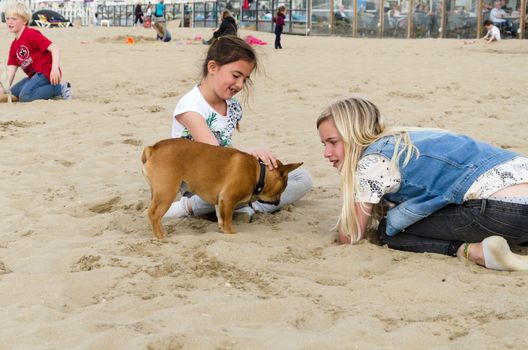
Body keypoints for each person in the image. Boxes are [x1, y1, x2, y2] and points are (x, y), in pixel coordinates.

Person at [316, 96, 528, 271]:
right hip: (517, 196)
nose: (326, 153)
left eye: (333, 142)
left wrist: (352, 192)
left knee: (389, 233)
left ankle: (472, 251)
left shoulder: (372, 162)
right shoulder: (409, 137)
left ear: (354, 134)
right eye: (323, 144)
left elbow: (351, 236)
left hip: (505, 212)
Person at [165, 35, 312, 222]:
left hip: (229, 174)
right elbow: (215, 155)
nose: (240, 85)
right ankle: (188, 207)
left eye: (245, 78)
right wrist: (250, 154)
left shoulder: (231, 106)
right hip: (200, 184)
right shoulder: (190, 107)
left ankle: (247, 206)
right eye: (236, 76)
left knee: (302, 178)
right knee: (232, 190)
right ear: (212, 67)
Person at [1, 2, 71, 102]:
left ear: (24, 21)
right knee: (12, 93)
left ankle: (59, 88)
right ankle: (45, 90)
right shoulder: (14, 46)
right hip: (34, 77)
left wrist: (54, 68)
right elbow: (10, 72)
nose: (9, 22)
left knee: (25, 96)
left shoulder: (31, 34)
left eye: (14, 19)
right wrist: (2, 90)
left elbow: (54, 48)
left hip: (46, 72)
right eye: (7, 18)